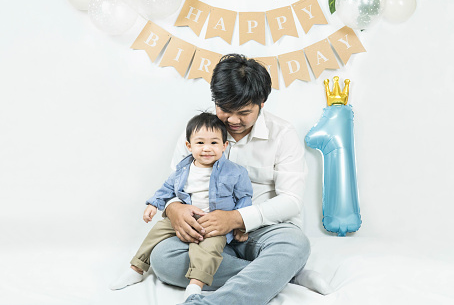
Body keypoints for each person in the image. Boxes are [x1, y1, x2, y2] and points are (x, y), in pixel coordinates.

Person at [149, 54, 333, 304]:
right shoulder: (198, 132)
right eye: (225, 110)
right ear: (215, 101)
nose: (233, 120)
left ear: (262, 103)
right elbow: (173, 183)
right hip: (205, 232)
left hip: (262, 230)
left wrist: (236, 218)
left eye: (244, 112)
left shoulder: (283, 134)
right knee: (163, 259)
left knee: (295, 244)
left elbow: (291, 201)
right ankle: (283, 273)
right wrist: (173, 208)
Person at [110, 112, 253, 300]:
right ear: (189, 146)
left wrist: (240, 224)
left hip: (215, 223)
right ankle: (136, 268)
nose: (207, 149)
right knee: (157, 231)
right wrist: (154, 204)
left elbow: (245, 198)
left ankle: (195, 285)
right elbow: (167, 188)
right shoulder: (183, 169)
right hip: (185, 219)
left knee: (208, 249)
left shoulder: (235, 172)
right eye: (200, 143)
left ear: (224, 146)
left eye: (214, 143)